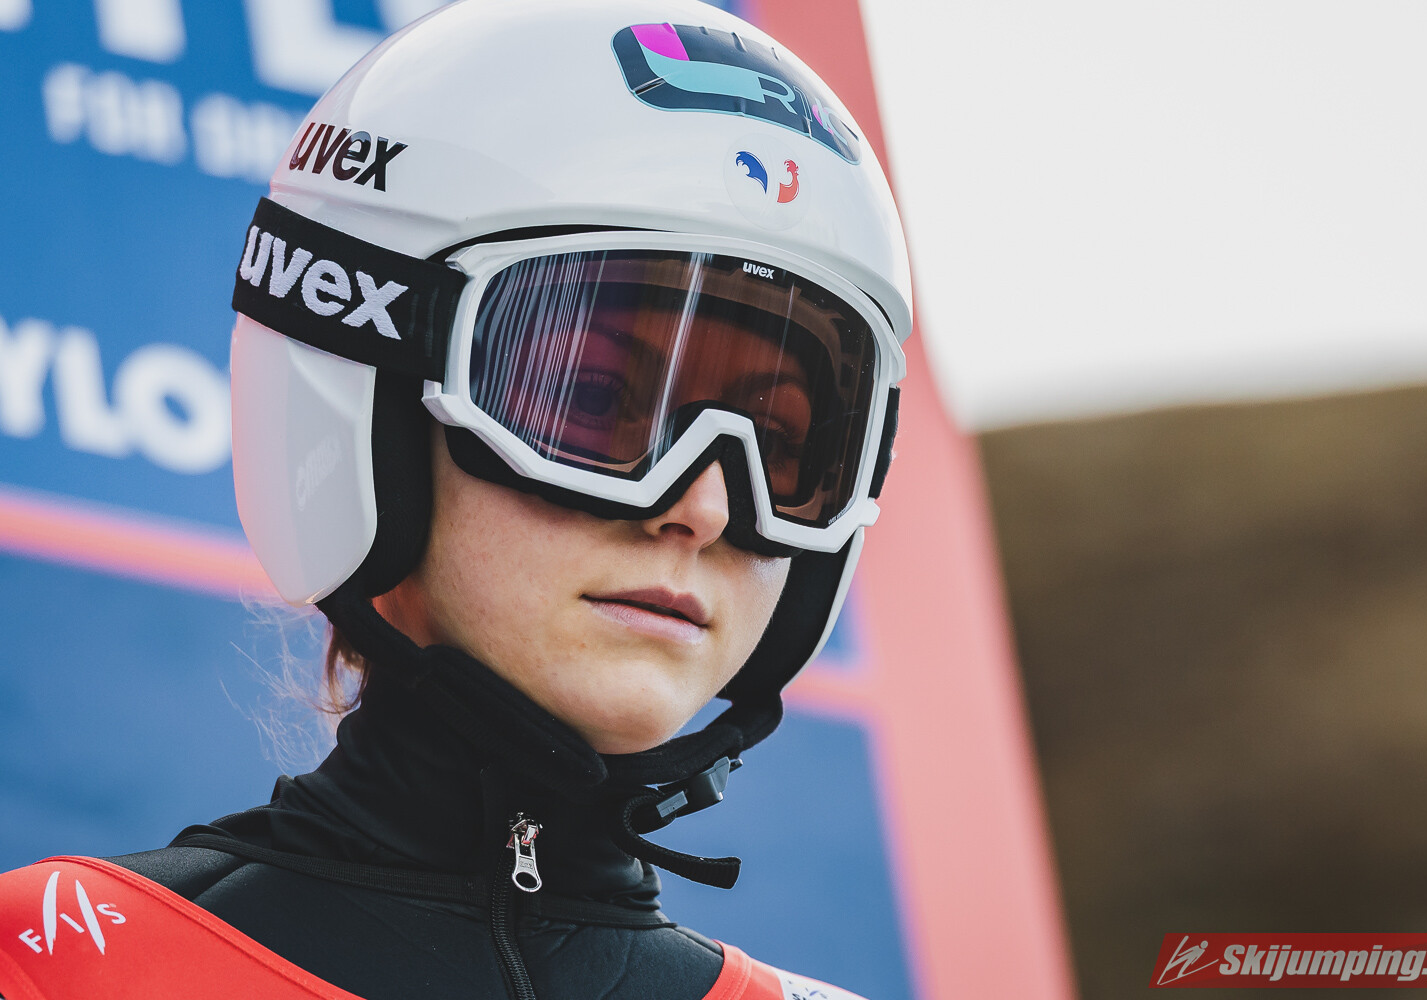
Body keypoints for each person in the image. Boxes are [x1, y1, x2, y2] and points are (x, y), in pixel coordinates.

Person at [0, 1, 910, 997]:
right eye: (590, 397)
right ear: (373, 400)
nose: (704, 507)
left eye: (779, 445)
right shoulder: (55, 963)